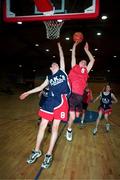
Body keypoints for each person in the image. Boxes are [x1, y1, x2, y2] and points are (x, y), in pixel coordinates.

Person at [19, 42, 71, 168]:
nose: (55, 63)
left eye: (56, 63)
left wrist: (59, 47)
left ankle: (48, 154)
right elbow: (40, 87)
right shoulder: (49, 77)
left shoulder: (62, 72)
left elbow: (62, 57)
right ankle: (37, 151)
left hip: (61, 101)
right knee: (42, 125)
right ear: (51, 68)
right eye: (53, 64)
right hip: (49, 102)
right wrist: (27, 92)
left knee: (54, 128)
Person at [66, 41, 95, 141]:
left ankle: (69, 122)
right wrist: (74, 45)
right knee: (73, 117)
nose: (84, 62)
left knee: (78, 115)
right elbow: (73, 55)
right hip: (72, 96)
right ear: (79, 63)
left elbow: (92, 60)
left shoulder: (86, 71)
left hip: (80, 97)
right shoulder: (74, 68)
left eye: (85, 62)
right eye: (82, 61)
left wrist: (87, 50)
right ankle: (69, 130)